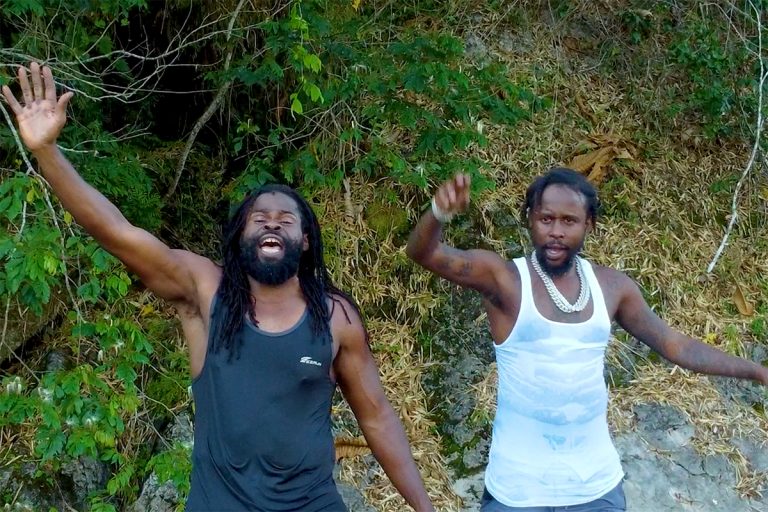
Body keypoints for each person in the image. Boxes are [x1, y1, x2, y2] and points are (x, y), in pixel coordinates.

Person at [2, 62, 435, 512]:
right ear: (239, 235)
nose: (271, 224)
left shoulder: (334, 316)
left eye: (285, 220)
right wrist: (48, 152)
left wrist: (425, 508)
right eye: (259, 218)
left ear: (306, 240)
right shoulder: (204, 289)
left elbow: (376, 417)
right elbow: (116, 231)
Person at [406, 169, 768, 512]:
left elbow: (676, 346)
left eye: (569, 221)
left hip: (595, 488)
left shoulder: (612, 287)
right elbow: (424, 253)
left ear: (589, 224)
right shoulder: (505, 279)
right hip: (517, 490)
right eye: (546, 219)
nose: (556, 232)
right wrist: (438, 212)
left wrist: (757, 371)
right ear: (530, 219)